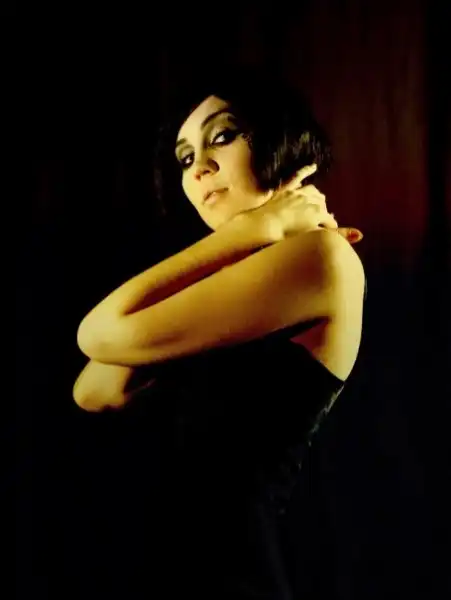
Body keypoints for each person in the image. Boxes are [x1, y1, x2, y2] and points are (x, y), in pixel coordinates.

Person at [73, 65, 366, 599]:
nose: (200, 168)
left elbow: (96, 333)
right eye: (185, 158)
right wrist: (252, 233)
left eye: (223, 136)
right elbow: (95, 388)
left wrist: (257, 230)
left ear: (283, 140)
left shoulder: (322, 255)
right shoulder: (239, 281)